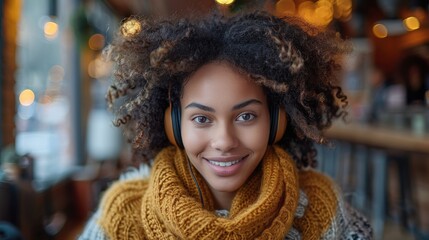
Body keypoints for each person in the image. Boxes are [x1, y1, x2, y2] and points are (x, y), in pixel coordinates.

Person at [79, 10, 372, 239]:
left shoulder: (323, 211)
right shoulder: (123, 215)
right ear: (173, 124)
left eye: (246, 116)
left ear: (277, 121)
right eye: (202, 119)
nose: (224, 141)